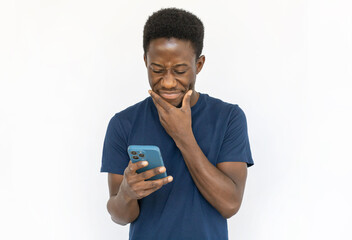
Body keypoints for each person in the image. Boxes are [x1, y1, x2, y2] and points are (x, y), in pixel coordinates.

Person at [101, 7, 254, 240]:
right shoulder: (123, 123)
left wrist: (184, 136)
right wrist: (126, 194)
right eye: (158, 70)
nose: (169, 82)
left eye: (180, 70)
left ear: (199, 64)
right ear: (146, 61)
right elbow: (120, 216)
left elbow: (230, 204)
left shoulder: (229, 118)